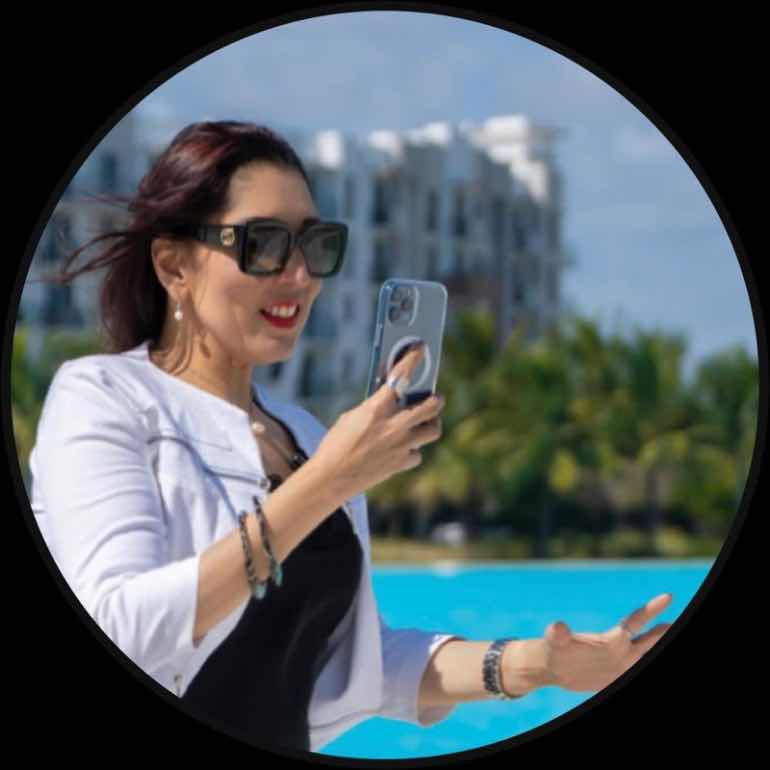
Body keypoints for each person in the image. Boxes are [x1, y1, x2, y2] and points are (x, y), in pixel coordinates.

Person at [27, 120, 673, 755]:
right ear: (174, 265)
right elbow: (118, 626)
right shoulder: (104, 398)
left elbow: (356, 666)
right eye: (264, 243)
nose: (300, 276)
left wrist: (540, 665)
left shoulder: (306, 435)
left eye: (315, 245)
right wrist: (327, 481)